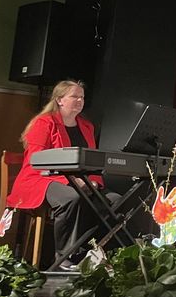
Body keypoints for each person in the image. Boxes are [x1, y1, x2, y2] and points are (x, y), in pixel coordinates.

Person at [9, 79, 121, 270]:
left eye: (82, 97)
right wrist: (73, 181)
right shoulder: (44, 122)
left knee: (115, 201)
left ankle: (91, 252)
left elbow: (91, 161)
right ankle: (64, 257)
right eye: (74, 96)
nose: (79, 100)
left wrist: (93, 182)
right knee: (71, 198)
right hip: (41, 178)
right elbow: (37, 160)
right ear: (60, 100)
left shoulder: (86, 126)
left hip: (80, 182)